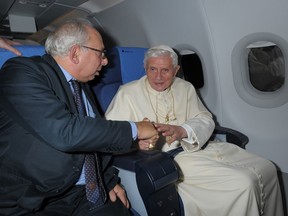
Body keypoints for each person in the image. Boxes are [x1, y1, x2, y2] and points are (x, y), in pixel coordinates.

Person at [0, 19, 159, 216]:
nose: (105, 60)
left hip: (84, 193)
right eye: (101, 53)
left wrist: (108, 181)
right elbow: (65, 132)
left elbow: (93, 139)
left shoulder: (81, 86)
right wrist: (136, 128)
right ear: (76, 53)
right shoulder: (21, 72)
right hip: (35, 200)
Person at [105, 45, 284, 216]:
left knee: (267, 168)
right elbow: (110, 136)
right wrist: (137, 142)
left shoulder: (185, 87)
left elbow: (205, 118)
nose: (158, 76)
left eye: (165, 70)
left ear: (176, 70)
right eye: (153, 69)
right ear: (145, 68)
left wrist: (183, 130)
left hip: (204, 147)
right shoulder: (127, 93)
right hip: (173, 159)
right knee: (243, 183)